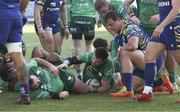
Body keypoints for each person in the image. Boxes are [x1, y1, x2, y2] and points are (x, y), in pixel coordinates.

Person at [125, 0, 179, 92]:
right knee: (149, 56)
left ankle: (172, 80)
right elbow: (126, 3)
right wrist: (132, 15)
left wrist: (161, 21)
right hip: (150, 29)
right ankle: (148, 90)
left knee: (172, 55)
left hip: (169, 27)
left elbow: (176, 9)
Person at [0, 0, 30, 104]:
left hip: (2, 13)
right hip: (15, 15)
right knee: (19, 59)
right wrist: (19, 10)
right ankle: (25, 95)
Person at [68, 0, 96, 79]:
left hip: (76, 17)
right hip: (89, 16)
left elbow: (68, 6)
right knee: (89, 44)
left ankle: (78, 73)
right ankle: (89, 70)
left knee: (76, 46)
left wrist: (68, 21)